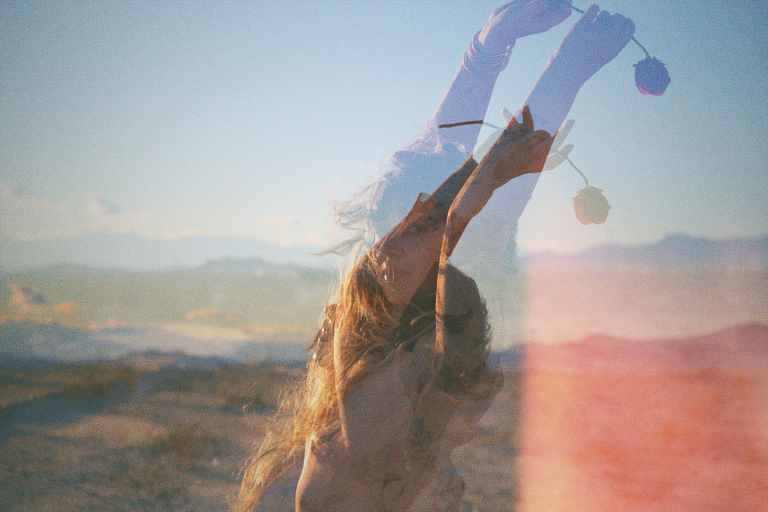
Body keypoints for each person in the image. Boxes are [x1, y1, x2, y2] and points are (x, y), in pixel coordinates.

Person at [234, 2, 634, 511]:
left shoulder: (441, 348)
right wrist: (495, 46)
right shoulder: (373, 294)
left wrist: (557, 65)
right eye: (388, 227)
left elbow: (479, 196)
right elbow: (444, 162)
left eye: (416, 229)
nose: (381, 247)